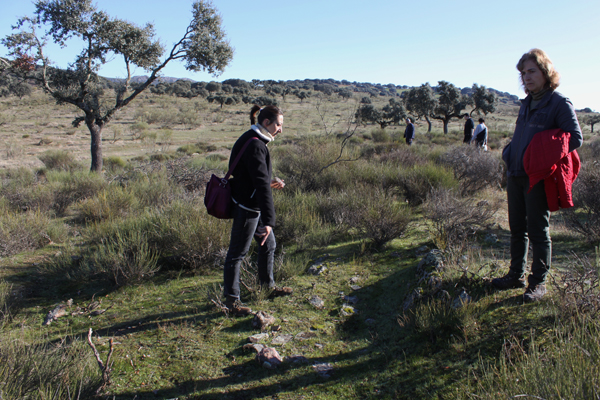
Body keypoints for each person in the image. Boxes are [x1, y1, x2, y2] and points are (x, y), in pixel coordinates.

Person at [492, 49, 583, 302]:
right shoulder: (527, 102)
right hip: (515, 173)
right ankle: (515, 275)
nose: (527, 77)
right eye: (523, 73)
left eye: (532, 71)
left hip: (538, 177)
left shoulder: (559, 103)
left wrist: (543, 153)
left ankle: (538, 283)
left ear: (545, 72)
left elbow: (575, 137)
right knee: (517, 229)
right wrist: (510, 151)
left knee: (538, 231)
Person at [223, 105, 292, 316]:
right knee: (237, 254)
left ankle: (267, 287)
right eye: (278, 125)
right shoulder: (255, 145)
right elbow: (260, 186)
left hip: (251, 203)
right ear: (266, 122)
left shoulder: (252, 139)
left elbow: (248, 176)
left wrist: (269, 182)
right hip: (248, 207)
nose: (280, 129)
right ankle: (232, 304)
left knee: (268, 244)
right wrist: (269, 221)